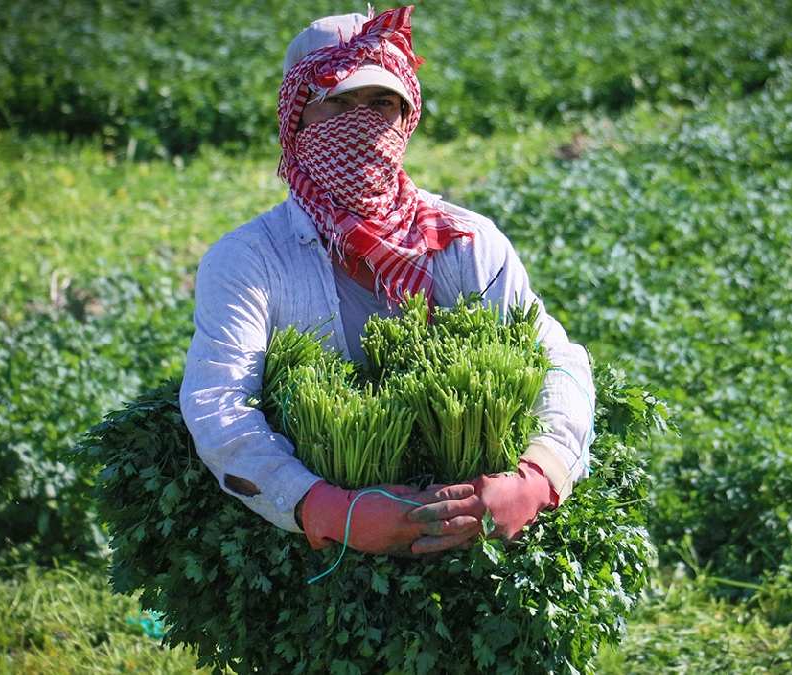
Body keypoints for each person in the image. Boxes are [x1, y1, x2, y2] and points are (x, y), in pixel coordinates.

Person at [179, 6, 593, 558]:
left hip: (470, 538)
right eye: (340, 104)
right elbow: (220, 402)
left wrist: (538, 476)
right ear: (297, 118)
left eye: (381, 104)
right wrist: (320, 505)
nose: (363, 123)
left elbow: (555, 357)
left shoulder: (465, 242)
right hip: (314, 553)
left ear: (406, 119)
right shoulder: (249, 259)